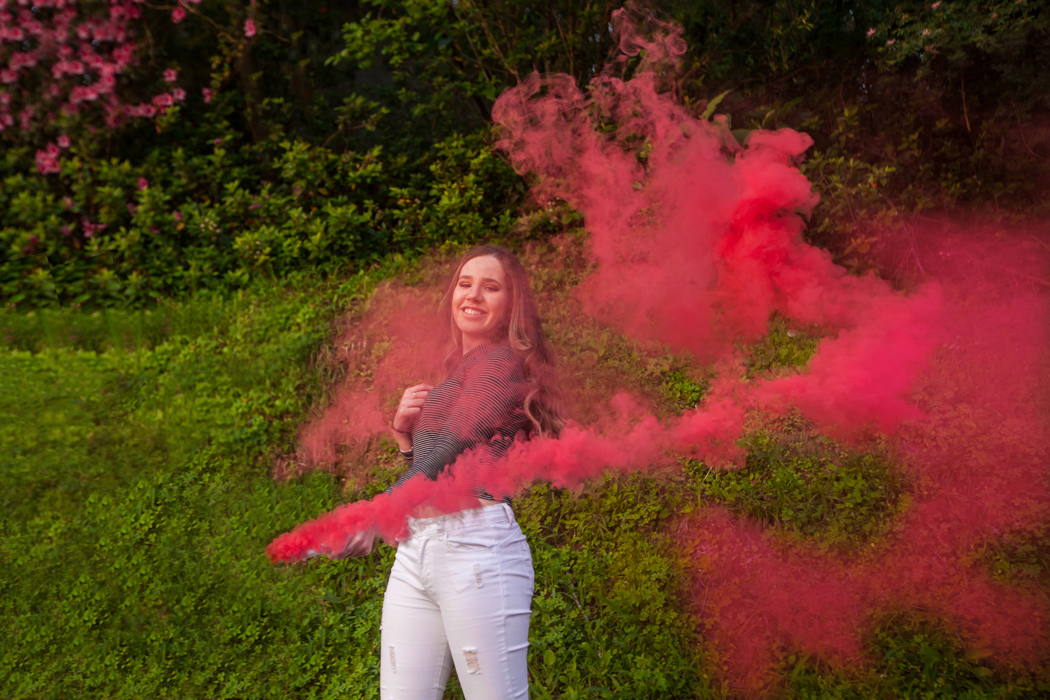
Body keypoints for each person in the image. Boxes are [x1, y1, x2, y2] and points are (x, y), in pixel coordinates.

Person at [333, 244, 564, 700]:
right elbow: (433, 470)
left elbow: (451, 446)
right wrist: (403, 437)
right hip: (417, 549)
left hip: (476, 550)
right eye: (465, 283)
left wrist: (379, 512)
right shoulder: (457, 374)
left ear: (511, 305)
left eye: (490, 286)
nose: (473, 295)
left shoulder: (502, 365)